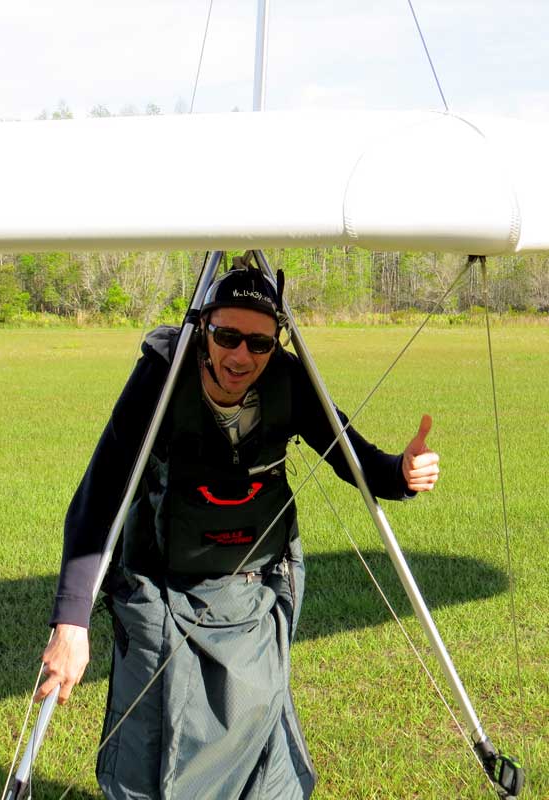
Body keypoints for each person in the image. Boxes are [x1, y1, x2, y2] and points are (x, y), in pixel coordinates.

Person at [36, 262, 440, 799]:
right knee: (152, 743)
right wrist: (72, 621)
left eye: (259, 343)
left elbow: (352, 457)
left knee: (253, 719)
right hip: (162, 584)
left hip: (253, 586)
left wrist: (401, 474)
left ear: (276, 344)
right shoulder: (163, 377)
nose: (241, 356)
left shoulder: (287, 380)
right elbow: (100, 494)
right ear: (203, 329)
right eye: (227, 336)